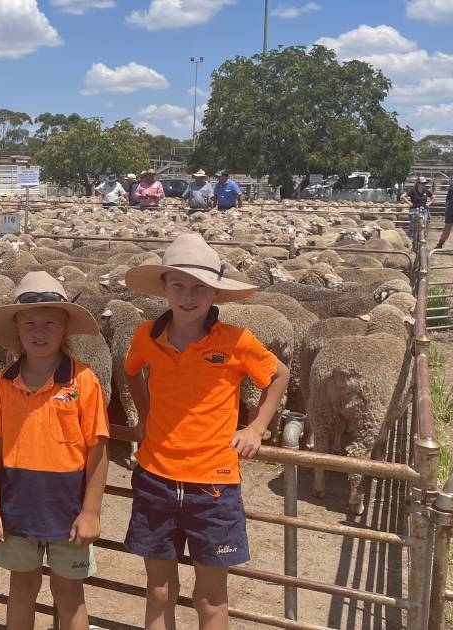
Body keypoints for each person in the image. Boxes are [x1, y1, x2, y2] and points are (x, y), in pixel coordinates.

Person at [121, 233, 289, 630]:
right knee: (159, 590)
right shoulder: (146, 335)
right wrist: (144, 417)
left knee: (210, 596)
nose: (188, 296)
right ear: (164, 288)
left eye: (199, 287)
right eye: (178, 285)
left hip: (213, 484)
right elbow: (130, 372)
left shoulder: (235, 341)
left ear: (215, 293)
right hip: (155, 477)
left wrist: (257, 426)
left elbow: (278, 375)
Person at [0, 271, 109, 630]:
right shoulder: (1, 385)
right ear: (17, 331)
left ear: (64, 328)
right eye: (30, 322)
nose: (40, 331)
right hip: (17, 505)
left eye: (50, 322)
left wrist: (91, 511)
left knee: (68, 593)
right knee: (21, 587)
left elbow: (97, 449)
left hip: (68, 509)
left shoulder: (84, 381)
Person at [401, 177, 434, 241]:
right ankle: (411, 239)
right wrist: (410, 203)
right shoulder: (413, 190)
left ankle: (421, 238)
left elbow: (433, 197)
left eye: (424, 183)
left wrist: (428, 204)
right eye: (422, 183)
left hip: (424, 209)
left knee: (423, 224)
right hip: (414, 209)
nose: (423, 185)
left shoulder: (426, 191)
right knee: (413, 225)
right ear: (418, 183)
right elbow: (402, 196)